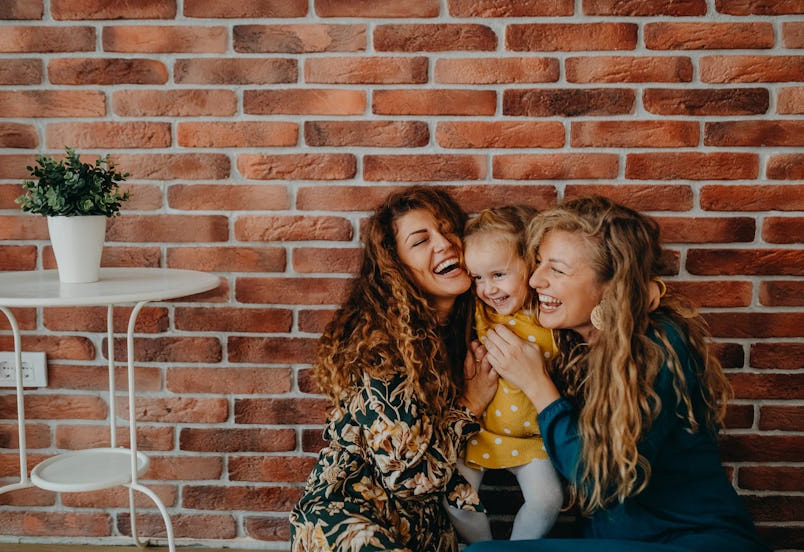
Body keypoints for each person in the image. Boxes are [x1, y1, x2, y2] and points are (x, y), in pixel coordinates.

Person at [467, 196, 771, 552]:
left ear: (611, 286)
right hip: (615, 540)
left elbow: (603, 483)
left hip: (691, 540)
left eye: (557, 270)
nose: (535, 280)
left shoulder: (657, 347)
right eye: (538, 263)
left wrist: (538, 386)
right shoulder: (573, 334)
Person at [289, 186, 499, 552]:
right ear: (396, 266)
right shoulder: (383, 347)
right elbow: (409, 477)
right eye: (421, 241)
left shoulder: (463, 328)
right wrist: (471, 405)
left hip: (420, 530)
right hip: (351, 525)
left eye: (449, 230)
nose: (445, 243)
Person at [447, 206, 564, 543]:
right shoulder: (477, 311)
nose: (488, 289)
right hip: (479, 433)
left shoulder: (548, 311)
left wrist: (651, 289)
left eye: (498, 275)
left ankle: (516, 550)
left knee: (547, 500)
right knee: (455, 499)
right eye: (478, 277)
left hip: (534, 440)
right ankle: (483, 549)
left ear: (531, 264)